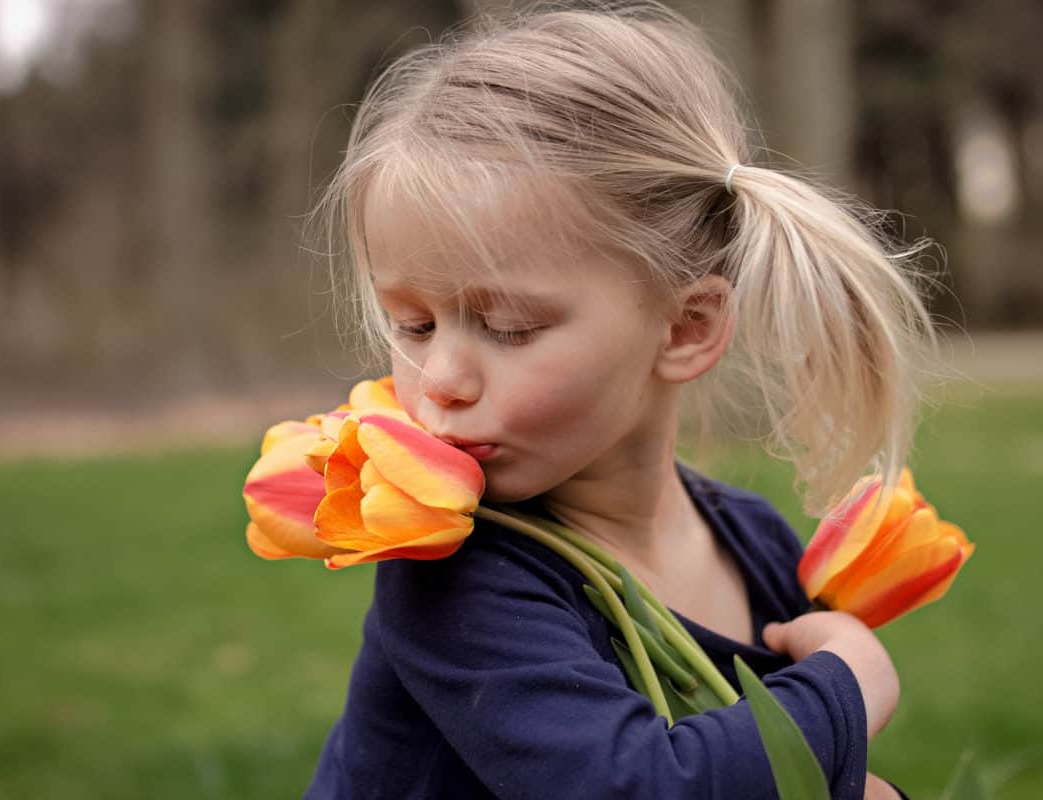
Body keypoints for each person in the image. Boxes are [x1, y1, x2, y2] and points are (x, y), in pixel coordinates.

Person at [302, 2, 938, 797]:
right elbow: (631, 786)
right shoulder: (458, 573)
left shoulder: (758, 546)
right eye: (415, 323)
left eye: (508, 326)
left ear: (685, 329)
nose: (438, 379)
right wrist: (845, 686)